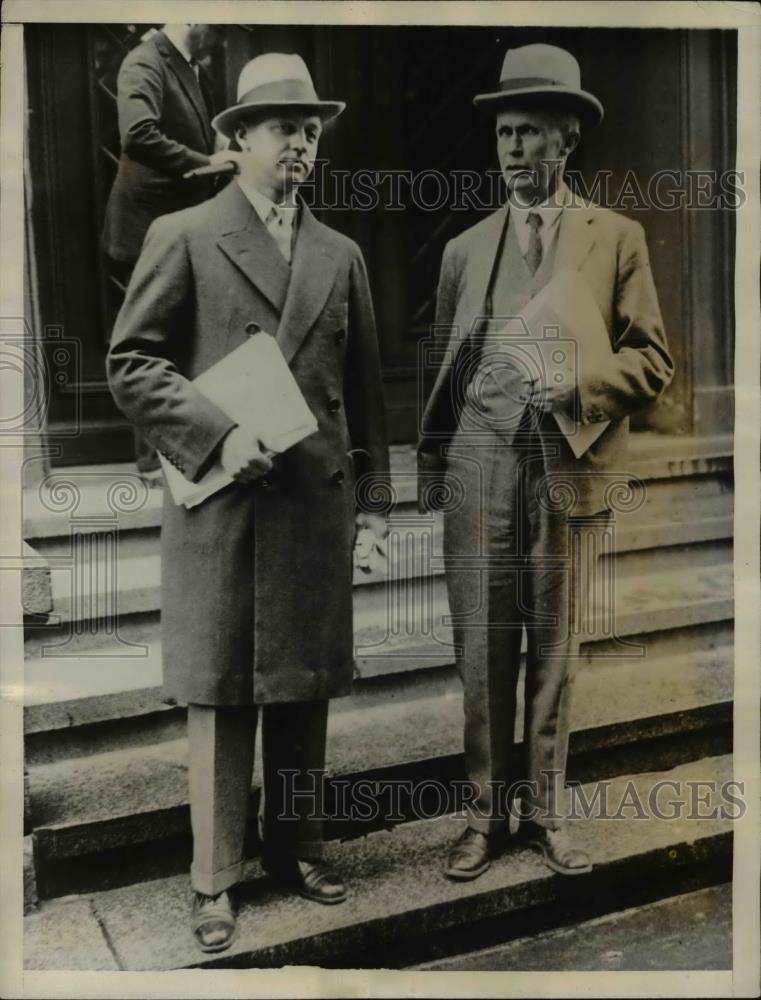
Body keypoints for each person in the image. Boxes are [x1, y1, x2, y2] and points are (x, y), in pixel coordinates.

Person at [107, 53, 389, 953]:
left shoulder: (340, 255)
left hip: (311, 505)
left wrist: (375, 509)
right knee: (224, 693)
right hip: (223, 504)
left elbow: (365, 395)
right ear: (233, 141)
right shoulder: (185, 233)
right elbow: (132, 362)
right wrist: (219, 433)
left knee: (304, 688)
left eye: (311, 128)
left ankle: (295, 850)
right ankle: (214, 877)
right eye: (283, 127)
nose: (302, 142)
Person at [418, 44, 674, 881]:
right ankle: (485, 818)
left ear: (568, 141)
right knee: (483, 648)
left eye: (532, 133)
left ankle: (550, 813)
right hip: (482, 462)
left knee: (555, 650)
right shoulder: (464, 249)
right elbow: (444, 370)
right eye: (505, 134)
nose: (515, 151)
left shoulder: (616, 237)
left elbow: (652, 362)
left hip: (566, 464)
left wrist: (577, 380)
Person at [101, 23, 225, 476]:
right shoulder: (145, 60)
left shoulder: (190, 68)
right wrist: (207, 163)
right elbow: (138, 134)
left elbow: (186, 131)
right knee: (151, 344)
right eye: (222, 25)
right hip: (145, 232)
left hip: (177, 227)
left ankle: (175, 454)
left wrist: (217, 148)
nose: (225, 37)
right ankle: (152, 465)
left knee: (177, 337)